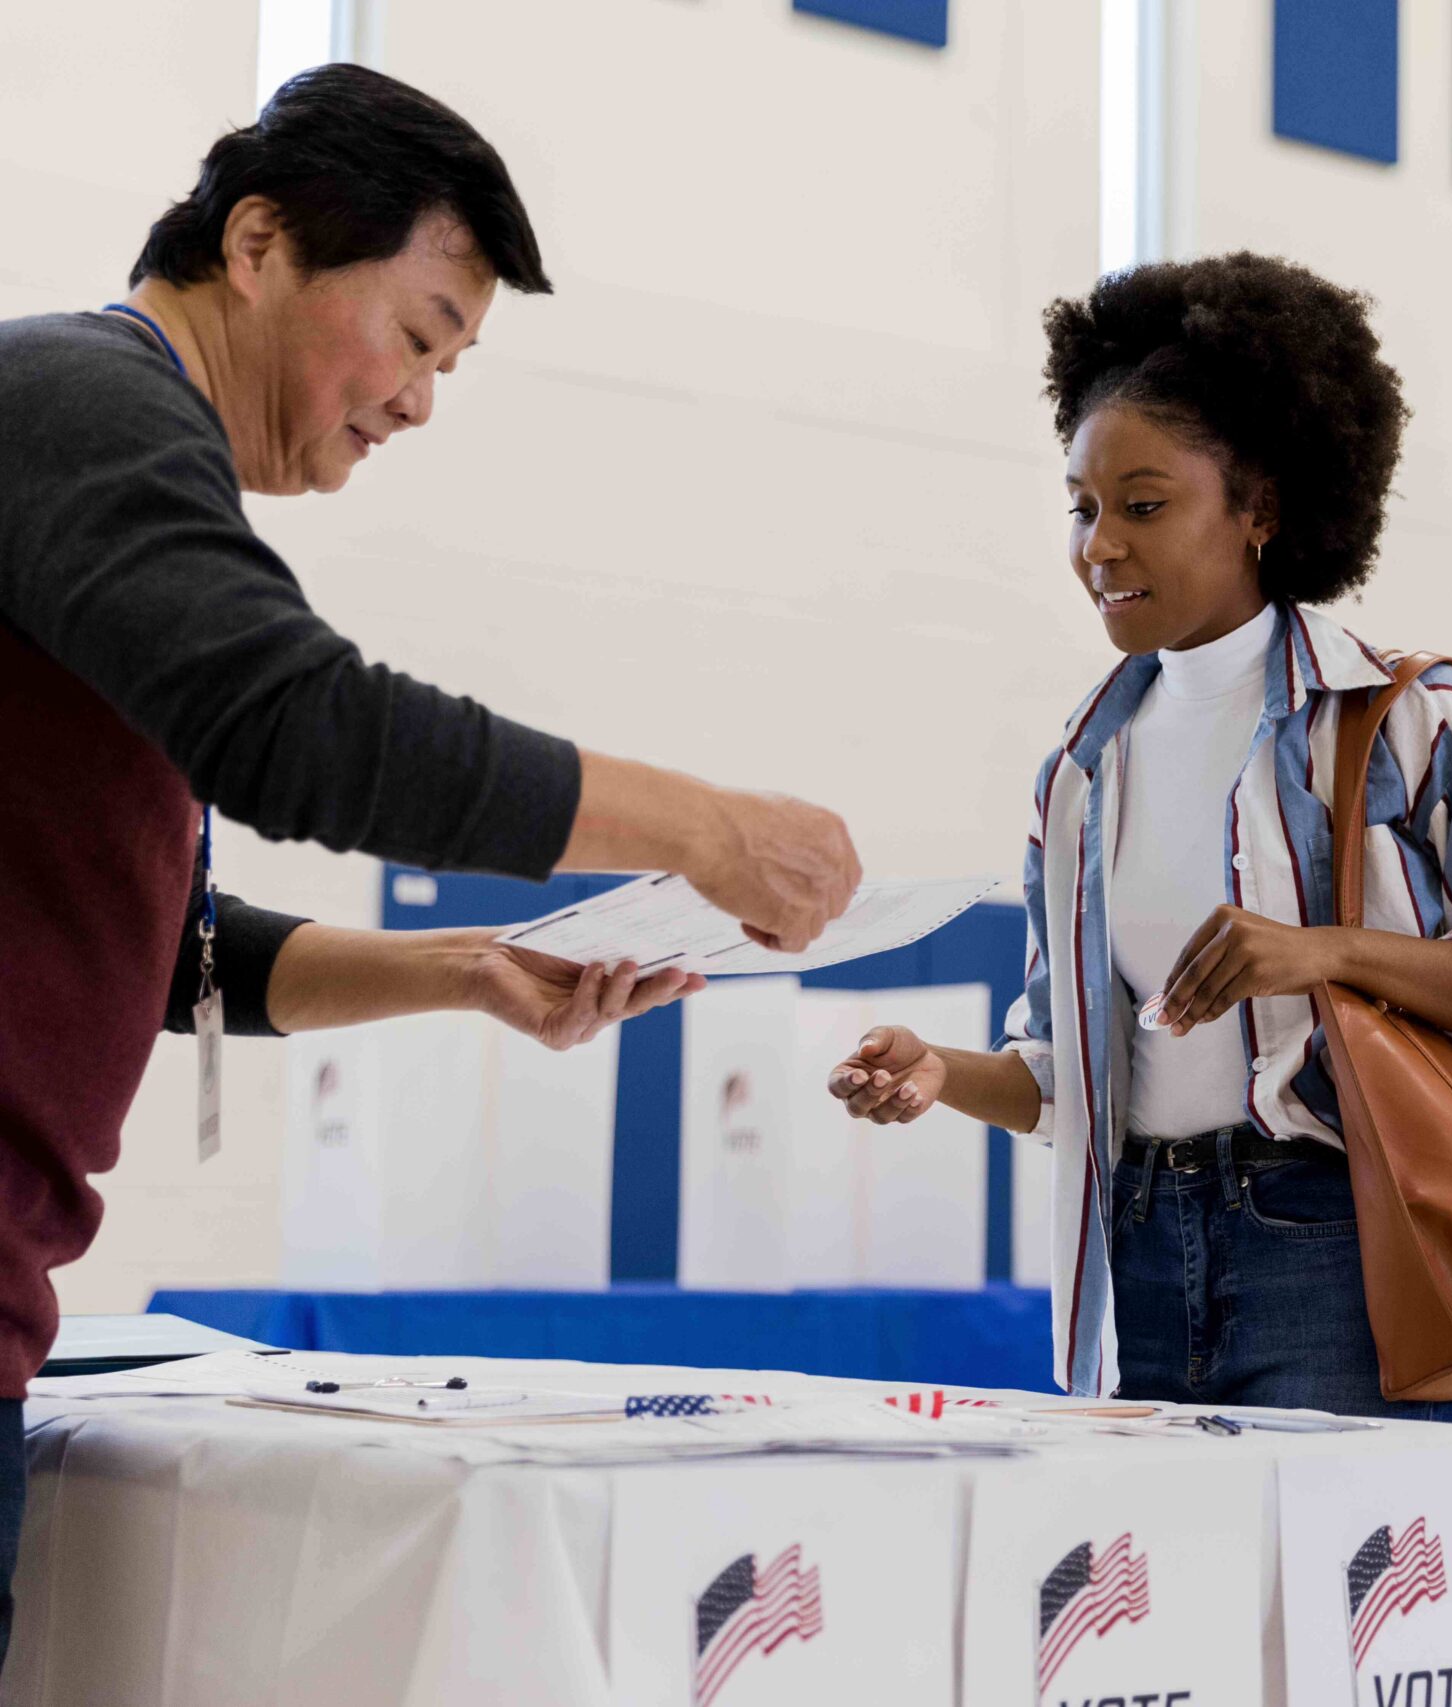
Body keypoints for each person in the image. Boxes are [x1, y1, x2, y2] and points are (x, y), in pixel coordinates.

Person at [0, 65, 862, 1654]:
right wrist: (707, 825)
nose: (416, 402)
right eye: (414, 333)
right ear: (256, 243)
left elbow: (181, 945)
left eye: (449, 365)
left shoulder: (104, 451)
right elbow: (305, 729)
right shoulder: (82, 404)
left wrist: (462, 972)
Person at [829, 253, 1452, 1420]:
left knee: (1345, 1597)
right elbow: (1064, 1080)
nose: (1100, 544)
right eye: (1083, 508)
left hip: (1334, 1248)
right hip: (1131, 1253)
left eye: (1144, 506)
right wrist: (945, 1077)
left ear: (1261, 509)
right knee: (1166, 1598)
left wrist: (1326, 951)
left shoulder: (1398, 718)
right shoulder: (1077, 776)